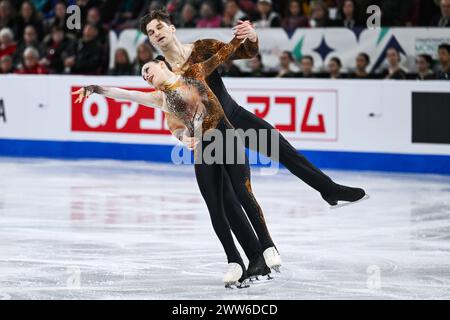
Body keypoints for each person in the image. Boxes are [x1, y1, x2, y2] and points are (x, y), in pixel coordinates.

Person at [73, 35, 280, 288]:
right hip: (204, 151)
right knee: (216, 207)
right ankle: (234, 261)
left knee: (241, 194)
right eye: (143, 76)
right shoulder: (160, 99)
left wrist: (241, 38)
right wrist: (94, 89)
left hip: (226, 137)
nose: (146, 76)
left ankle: (267, 248)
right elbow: (125, 95)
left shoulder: (193, 73)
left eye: (147, 70)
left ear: (161, 64)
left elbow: (221, 55)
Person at [140, 9, 366, 211]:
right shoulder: (160, 70)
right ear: (150, 41)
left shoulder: (202, 48)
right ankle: (249, 251)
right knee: (230, 192)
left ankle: (329, 189)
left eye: (159, 27)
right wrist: (183, 135)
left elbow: (246, 52)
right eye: (151, 32)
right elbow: (170, 109)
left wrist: (252, 36)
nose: (156, 33)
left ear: (172, 28)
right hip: (211, 135)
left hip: (235, 115)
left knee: (284, 149)